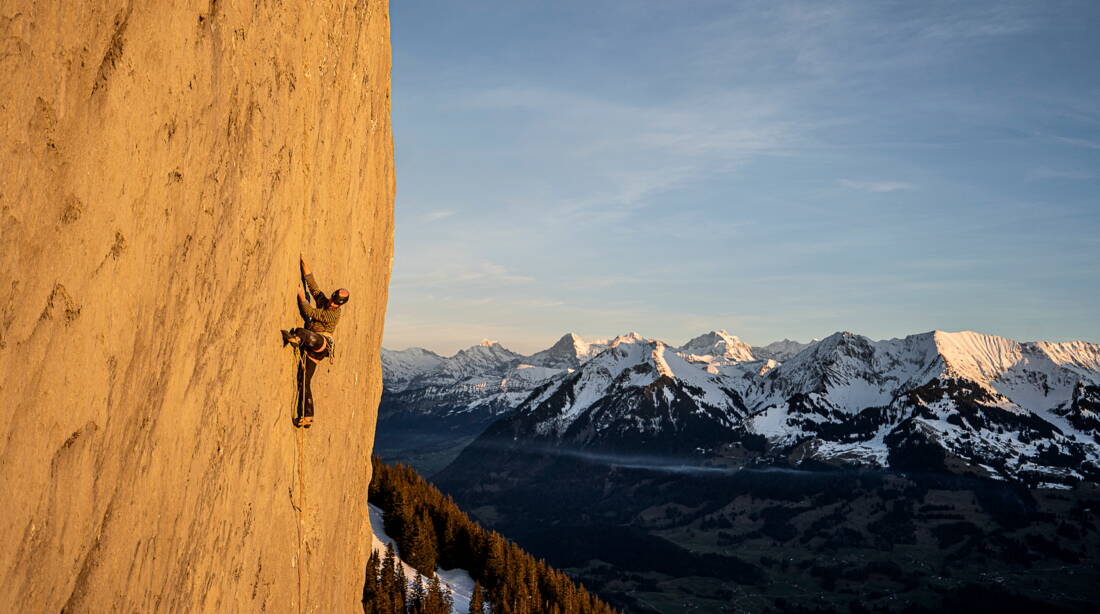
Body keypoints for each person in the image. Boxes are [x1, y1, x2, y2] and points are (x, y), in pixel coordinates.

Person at [281, 255, 349, 427]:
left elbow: (312, 313)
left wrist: (300, 297)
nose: (332, 303)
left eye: (335, 303)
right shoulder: (326, 302)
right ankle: (307, 416)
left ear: (340, 305)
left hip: (322, 343)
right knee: (304, 380)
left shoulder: (333, 313)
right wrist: (304, 264)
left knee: (301, 332)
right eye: (332, 300)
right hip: (313, 349)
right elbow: (314, 287)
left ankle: (297, 339)